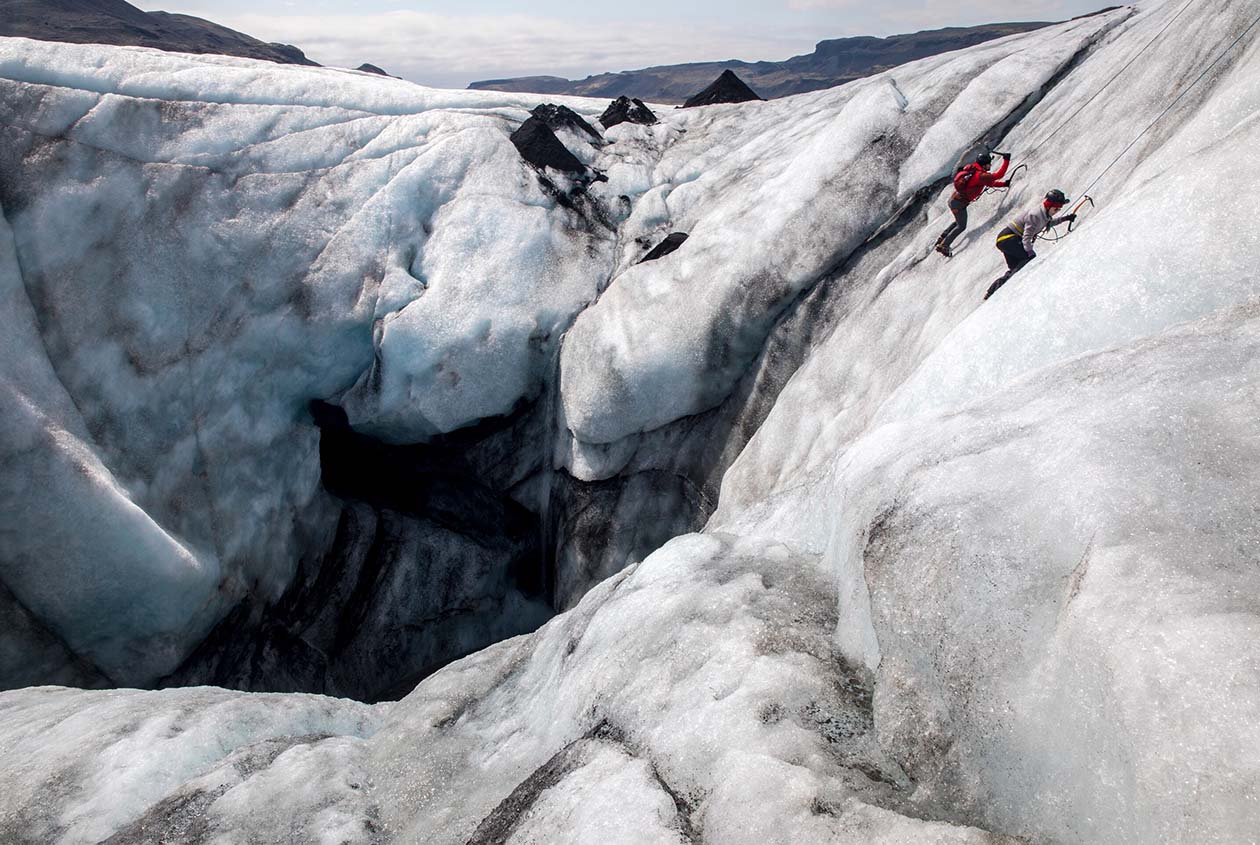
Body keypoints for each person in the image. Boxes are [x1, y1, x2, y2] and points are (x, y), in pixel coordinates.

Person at [984, 189, 1076, 299]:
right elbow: (1026, 238)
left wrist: (1065, 219)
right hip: (1008, 239)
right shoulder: (1036, 215)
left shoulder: (1043, 214)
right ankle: (999, 291)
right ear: (1049, 205)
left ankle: (993, 292)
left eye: (1059, 209)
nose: (1057, 211)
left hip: (1007, 240)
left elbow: (1047, 223)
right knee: (1027, 260)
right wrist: (1030, 252)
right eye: (1056, 209)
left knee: (1016, 269)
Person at [935, 151, 1011, 257]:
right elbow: (999, 175)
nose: (990, 165)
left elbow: (990, 183)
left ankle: (942, 238)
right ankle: (944, 245)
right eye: (989, 163)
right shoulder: (981, 175)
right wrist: (1006, 160)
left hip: (955, 200)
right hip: (958, 203)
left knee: (958, 221)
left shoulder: (975, 171)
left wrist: (1004, 184)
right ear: (984, 164)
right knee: (961, 226)